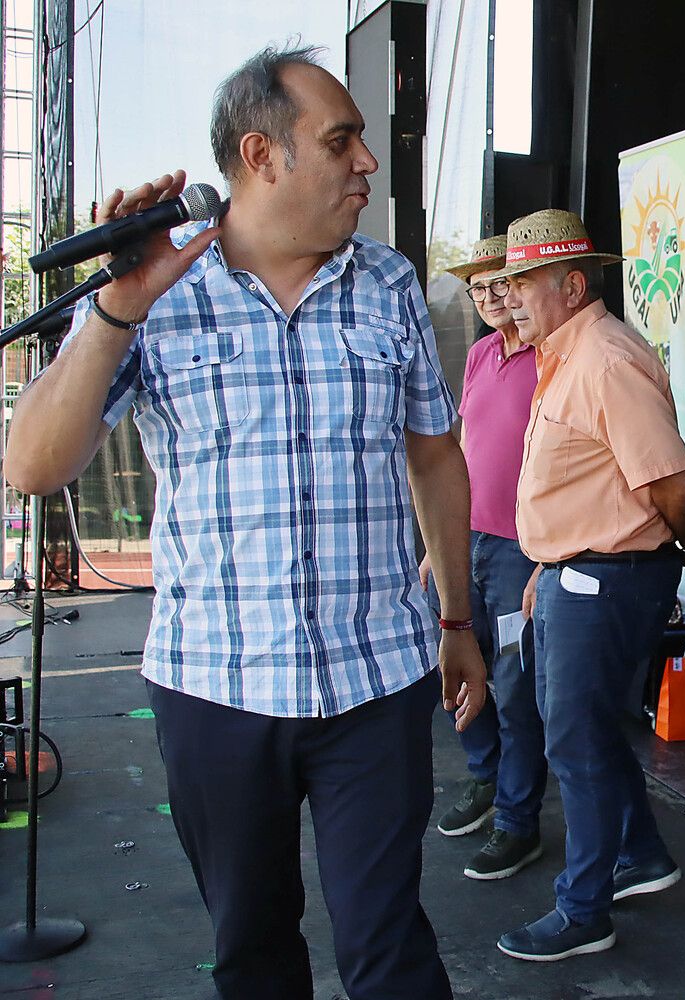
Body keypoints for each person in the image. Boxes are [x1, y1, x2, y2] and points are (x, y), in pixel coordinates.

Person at [2, 46, 485, 1000]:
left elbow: (434, 454)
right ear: (262, 155)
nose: (366, 164)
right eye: (341, 140)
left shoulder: (388, 285)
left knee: (390, 948)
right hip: (215, 689)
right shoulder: (154, 295)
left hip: (376, 681)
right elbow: (32, 466)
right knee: (252, 951)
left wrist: (458, 622)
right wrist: (115, 309)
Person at [490, 208, 685, 962]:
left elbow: (674, 482)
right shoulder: (564, 355)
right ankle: (640, 854)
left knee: (576, 743)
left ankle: (584, 910)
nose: (510, 296)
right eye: (509, 282)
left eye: (524, 283)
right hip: (572, 575)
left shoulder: (606, 359)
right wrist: (545, 573)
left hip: (607, 578)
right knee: (581, 734)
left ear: (572, 283)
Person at [418, 236, 548, 882]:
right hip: (465, 541)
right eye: (479, 288)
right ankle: (485, 775)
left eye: (501, 283)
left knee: (516, 687)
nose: (492, 296)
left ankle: (517, 823)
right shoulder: (477, 355)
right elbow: (461, 448)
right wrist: (437, 544)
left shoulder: (554, 358)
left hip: (524, 552)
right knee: (454, 663)